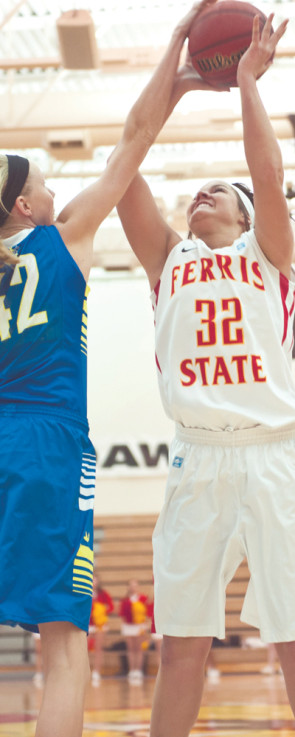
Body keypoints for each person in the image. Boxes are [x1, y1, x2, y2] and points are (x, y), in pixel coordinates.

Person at [0, 3, 221, 735]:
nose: (56, 191)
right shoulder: (62, 239)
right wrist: (176, 66)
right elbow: (131, 139)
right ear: (27, 203)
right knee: (66, 651)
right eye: (45, 182)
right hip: (46, 447)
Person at [117, 12, 295, 737]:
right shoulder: (168, 260)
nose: (201, 193)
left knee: (289, 639)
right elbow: (128, 154)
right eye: (195, 190)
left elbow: (264, 171)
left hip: (274, 452)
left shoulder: (270, 253)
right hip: (195, 457)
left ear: (248, 214)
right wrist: (174, 69)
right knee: (182, 640)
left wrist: (245, 81)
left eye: (217, 190)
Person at [119, 578, 149, 684]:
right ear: (128, 587)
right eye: (131, 585)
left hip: (140, 626)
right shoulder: (125, 600)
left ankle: (138, 670)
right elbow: (122, 613)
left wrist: (144, 625)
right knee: (131, 649)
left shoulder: (143, 598)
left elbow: (147, 612)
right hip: (128, 626)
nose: (133, 587)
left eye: (135, 585)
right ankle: (131, 670)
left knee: (139, 649)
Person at [88, 571, 114, 686]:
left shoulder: (103, 594)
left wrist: (103, 611)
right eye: (92, 580)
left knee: (98, 648)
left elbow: (111, 607)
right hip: (88, 625)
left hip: (100, 625)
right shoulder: (85, 593)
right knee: (86, 649)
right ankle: (86, 671)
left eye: (96, 580)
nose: (94, 582)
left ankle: (97, 671)